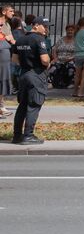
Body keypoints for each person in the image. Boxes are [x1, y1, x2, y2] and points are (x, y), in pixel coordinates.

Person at [12, 17, 50, 145]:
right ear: (35, 26)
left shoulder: (20, 39)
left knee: (22, 106)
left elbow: (15, 60)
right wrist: (48, 63)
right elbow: (45, 59)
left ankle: (17, 135)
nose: (46, 29)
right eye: (44, 26)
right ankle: (28, 135)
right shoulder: (39, 39)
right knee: (33, 105)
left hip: (23, 74)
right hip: (36, 75)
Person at [72, 17, 84, 100]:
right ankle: (81, 92)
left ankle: (75, 91)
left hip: (77, 55)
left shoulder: (76, 33)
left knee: (77, 74)